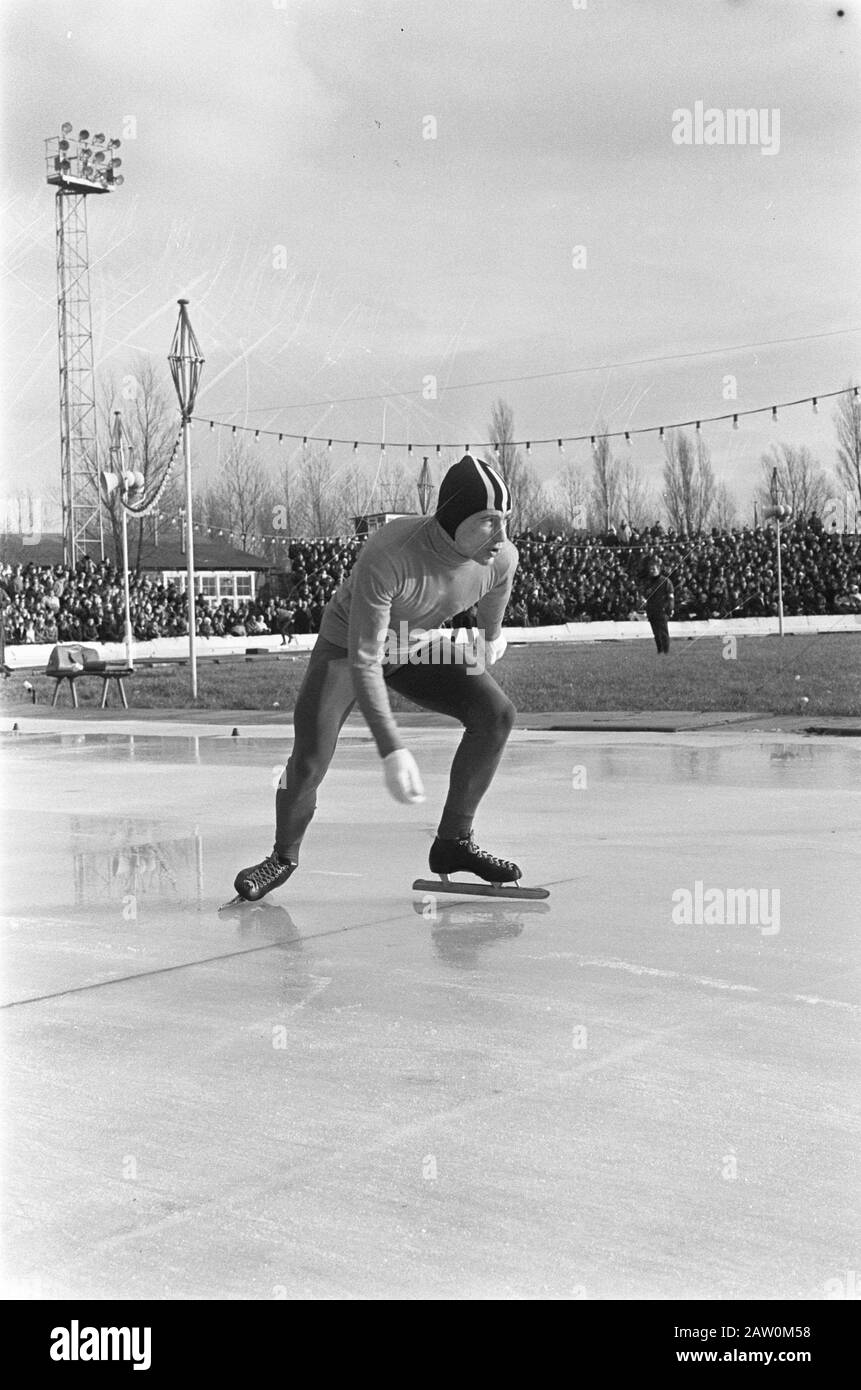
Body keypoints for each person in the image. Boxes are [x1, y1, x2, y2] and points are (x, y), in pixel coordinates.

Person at [232, 455, 521, 902]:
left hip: (413, 643)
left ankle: (453, 842)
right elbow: (366, 659)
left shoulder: (501, 557)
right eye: (487, 521)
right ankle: (282, 856)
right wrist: (392, 748)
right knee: (309, 760)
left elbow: (496, 592)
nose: (500, 536)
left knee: (496, 714)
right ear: (453, 519)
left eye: (505, 520)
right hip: (349, 648)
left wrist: (491, 635)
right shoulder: (390, 552)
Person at [642, 556, 674, 654]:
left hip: (662, 610)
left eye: (654, 569)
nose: (652, 571)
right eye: (650, 569)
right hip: (651, 610)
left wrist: (670, 608)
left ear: (658, 570)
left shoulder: (666, 581)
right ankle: (659, 650)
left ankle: (666, 651)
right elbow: (644, 595)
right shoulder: (648, 582)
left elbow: (671, 597)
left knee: (663, 632)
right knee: (656, 633)